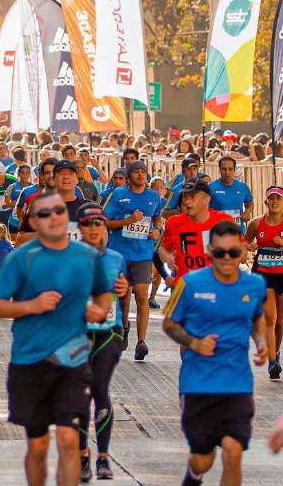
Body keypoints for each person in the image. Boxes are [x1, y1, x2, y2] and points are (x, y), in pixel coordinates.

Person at [0, 192, 111, 486]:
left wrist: (100, 309)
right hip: (29, 360)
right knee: (38, 445)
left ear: (66, 217)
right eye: (44, 214)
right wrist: (32, 306)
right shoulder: (21, 259)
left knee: (68, 439)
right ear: (33, 222)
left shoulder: (86, 257)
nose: (53, 217)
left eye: (58, 211)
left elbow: (104, 292)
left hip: (73, 360)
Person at [162, 221, 267, 486]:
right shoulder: (190, 283)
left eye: (233, 252)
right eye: (220, 253)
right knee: (203, 459)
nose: (227, 259)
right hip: (198, 385)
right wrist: (194, 343)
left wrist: (261, 342)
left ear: (243, 250)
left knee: (233, 452)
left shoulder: (254, 285)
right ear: (210, 251)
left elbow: (257, 318)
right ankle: (194, 475)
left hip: (237, 384)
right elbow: (169, 324)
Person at [75, 202, 128, 482]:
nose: (94, 229)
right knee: (82, 393)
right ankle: (83, 454)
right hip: (78, 334)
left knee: (99, 387)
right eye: (88, 224)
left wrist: (124, 289)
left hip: (109, 332)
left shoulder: (117, 258)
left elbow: (122, 290)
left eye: (99, 223)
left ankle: (104, 457)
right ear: (79, 228)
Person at [103, 160, 164, 358]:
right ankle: (125, 326)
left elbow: (156, 218)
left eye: (143, 172)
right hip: (119, 254)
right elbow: (105, 222)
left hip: (143, 254)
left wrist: (156, 230)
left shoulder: (153, 196)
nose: (140, 175)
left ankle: (141, 342)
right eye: (136, 172)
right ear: (129, 177)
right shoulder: (119, 195)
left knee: (141, 295)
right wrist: (129, 221)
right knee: (123, 297)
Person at [158, 180, 234, 282]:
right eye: (185, 196)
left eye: (193, 197)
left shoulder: (224, 221)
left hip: (217, 287)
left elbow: (242, 255)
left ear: (207, 199)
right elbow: (162, 249)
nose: (187, 201)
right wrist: (167, 258)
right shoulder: (174, 222)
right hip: (186, 287)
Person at [245, 185, 283, 380]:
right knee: (270, 318)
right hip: (263, 274)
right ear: (266, 202)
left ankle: (276, 352)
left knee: (281, 322)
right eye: (272, 198)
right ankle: (272, 362)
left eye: (278, 198)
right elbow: (244, 241)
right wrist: (248, 245)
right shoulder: (256, 223)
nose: (275, 201)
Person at [208, 156, 253, 228]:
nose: (227, 172)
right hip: (218, 232)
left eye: (230, 169)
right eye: (224, 169)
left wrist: (247, 212)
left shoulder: (242, 187)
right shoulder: (211, 187)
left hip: (238, 231)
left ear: (234, 170)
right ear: (219, 169)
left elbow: (250, 204)